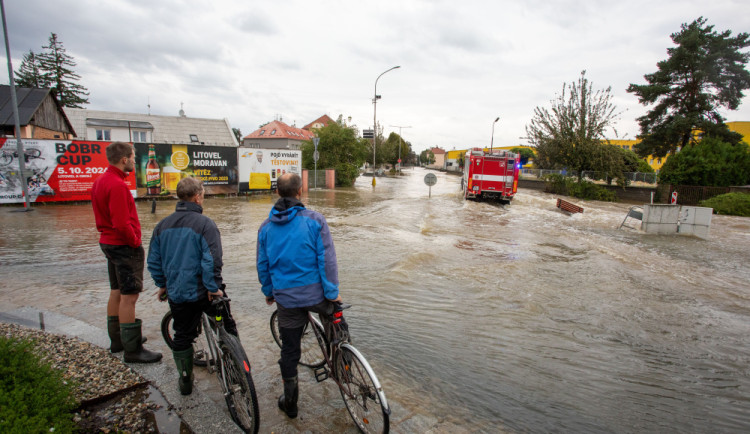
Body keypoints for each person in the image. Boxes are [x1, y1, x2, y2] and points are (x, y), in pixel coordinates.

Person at [256, 172, 342, 419]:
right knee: (337, 323)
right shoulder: (315, 221)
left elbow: (263, 265)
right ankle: (344, 366)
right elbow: (327, 261)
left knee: (290, 352)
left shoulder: (265, 228)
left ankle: (291, 403)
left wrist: (269, 292)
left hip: (286, 299)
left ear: (277, 193)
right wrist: (332, 294)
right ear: (300, 191)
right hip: (317, 295)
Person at [147, 177, 236, 395]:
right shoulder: (205, 224)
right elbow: (212, 260)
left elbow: (154, 261)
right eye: (203, 194)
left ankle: (185, 381)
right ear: (197, 197)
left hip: (177, 291)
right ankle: (235, 370)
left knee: (182, 335)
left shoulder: (161, 226)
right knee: (226, 327)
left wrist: (163, 284)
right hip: (204, 293)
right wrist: (213, 287)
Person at [91, 141, 162, 363]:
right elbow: (122, 223)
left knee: (116, 291)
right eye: (132, 157)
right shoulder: (118, 185)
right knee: (129, 296)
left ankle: (117, 341)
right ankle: (133, 349)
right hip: (123, 246)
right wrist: (135, 241)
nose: (134, 160)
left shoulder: (100, 181)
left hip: (107, 242)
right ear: (124, 159)